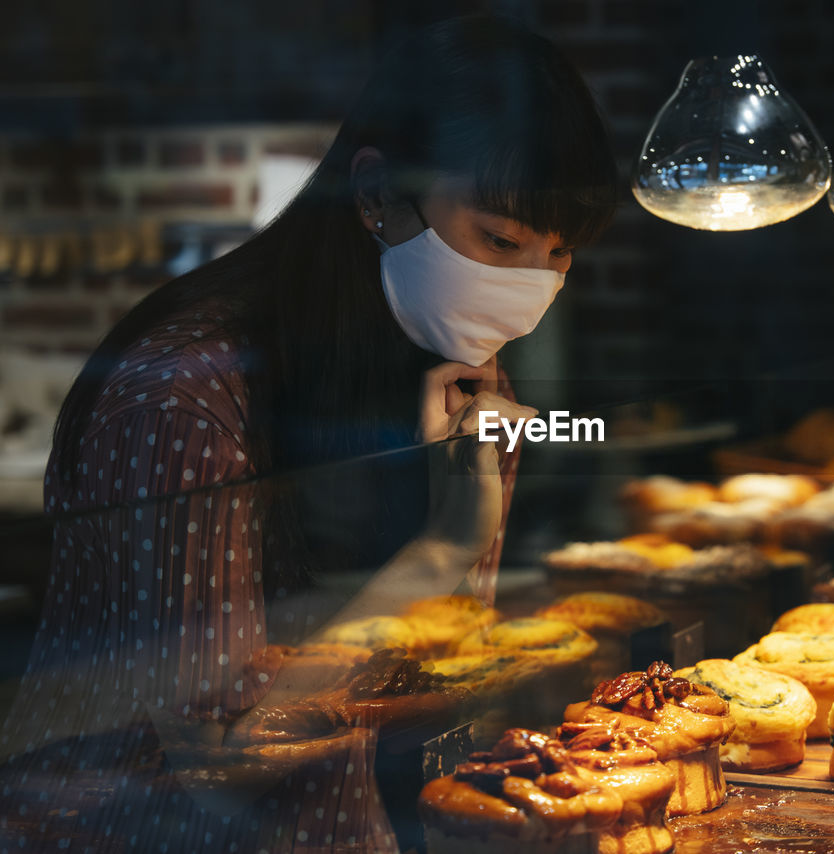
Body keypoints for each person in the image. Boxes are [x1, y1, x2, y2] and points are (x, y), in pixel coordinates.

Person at [0, 15, 617, 853]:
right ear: (374, 196)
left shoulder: (461, 369)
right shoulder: (187, 396)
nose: (526, 290)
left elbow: (445, 658)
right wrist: (439, 551)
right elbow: (218, 757)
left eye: (558, 257)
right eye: (500, 240)